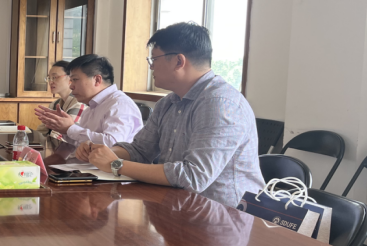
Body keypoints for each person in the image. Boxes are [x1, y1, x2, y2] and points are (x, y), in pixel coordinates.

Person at [82, 22, 265, 208]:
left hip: (224, 214)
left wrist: (116, 165)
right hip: (177, 205)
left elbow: (193, 177)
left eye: (154, 59)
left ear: (179, 61)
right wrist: (100, 152)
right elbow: (141, 150)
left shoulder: (220, 103)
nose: (151, 67)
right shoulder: (168, 102)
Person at [35, 54, 142, 157]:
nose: (71, 86)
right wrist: (63, 129)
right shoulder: (91, 106)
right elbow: (82, 143)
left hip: (111, 169)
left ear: (97, 80)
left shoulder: (119, 104)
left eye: (75, 80)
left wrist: (70, 129)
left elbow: (112, 144)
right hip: (89, 165)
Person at [35, 61, 85, 150]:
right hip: (55, 149)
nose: (50, 82)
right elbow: (42, 131)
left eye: (55, 77)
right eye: (49, 78)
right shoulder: (55, 104)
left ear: (70, 79)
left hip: (72, 152)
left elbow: (63, 137)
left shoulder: (79, 103)